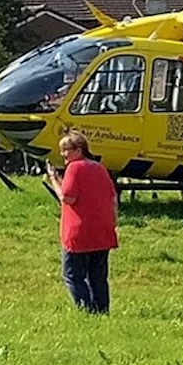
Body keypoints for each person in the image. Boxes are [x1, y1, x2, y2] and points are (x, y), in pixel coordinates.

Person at [44, 131, 119, 314]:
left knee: (73, 276)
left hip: (79, 233)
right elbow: (113, 198)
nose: (63, 154)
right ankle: (102, 311)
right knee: (98, 277)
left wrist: (53, 179)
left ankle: (87, 311)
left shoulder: (75, 168)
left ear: (78, 150)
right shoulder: (100, 168)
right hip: (102, 232)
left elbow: (67, 197)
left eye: (66, 150)